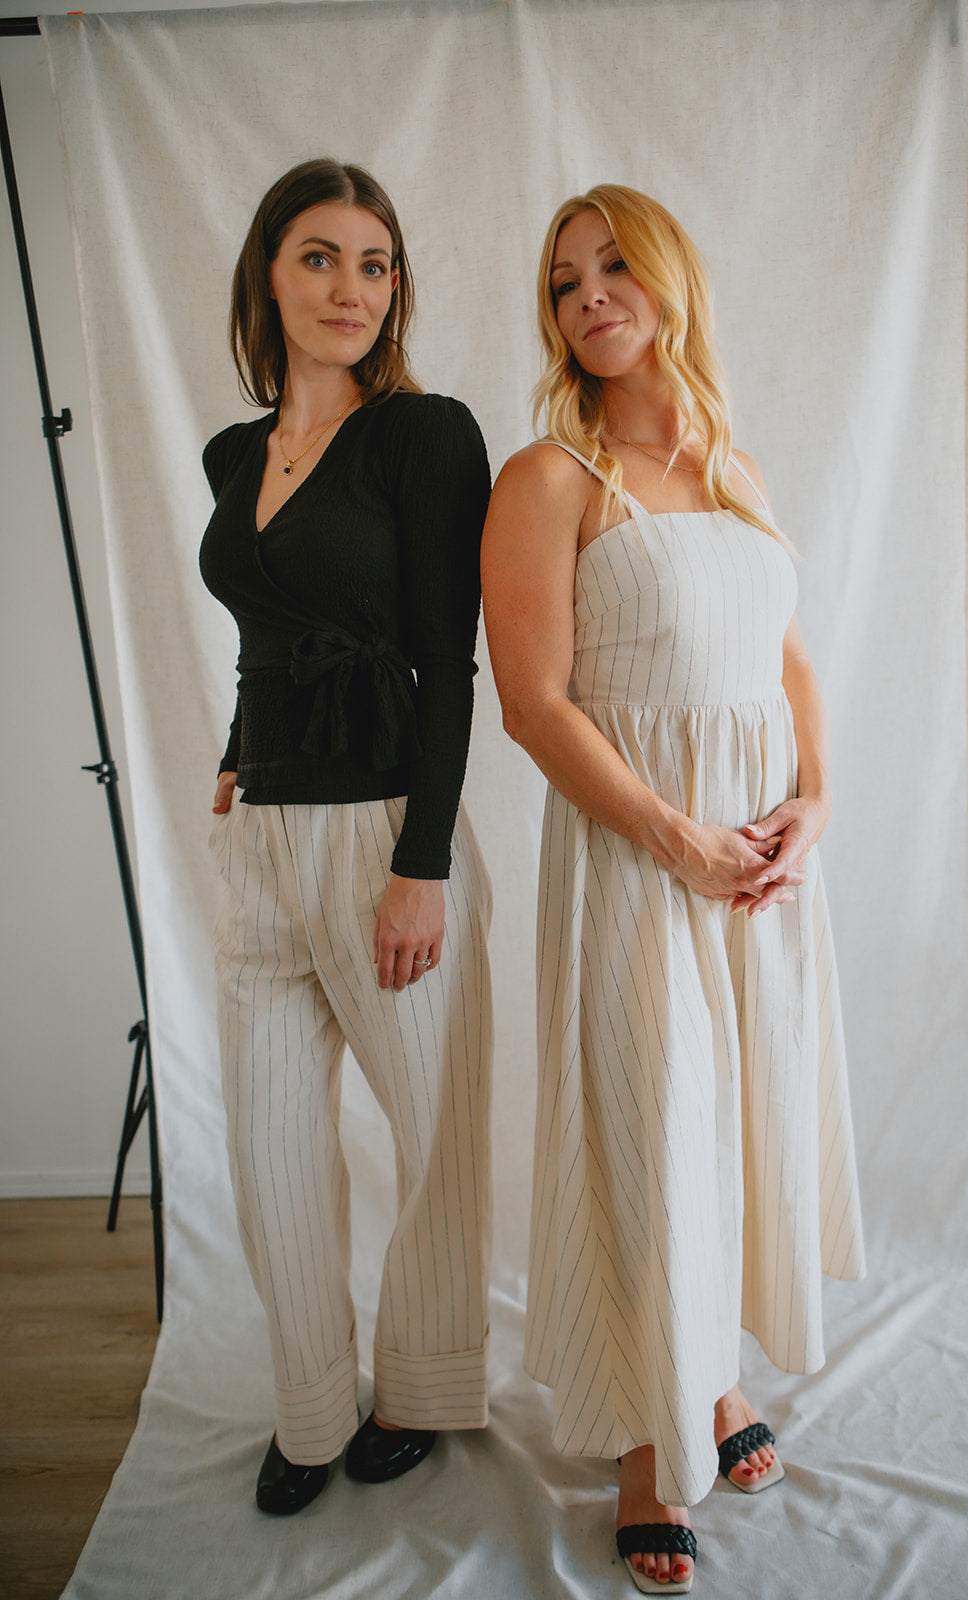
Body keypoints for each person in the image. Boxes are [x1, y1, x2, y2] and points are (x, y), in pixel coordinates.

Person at [481, 185, 864, 1593]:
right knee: (651, 1131)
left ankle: (710, 1378)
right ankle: (651, 1443)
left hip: (757, 870)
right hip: (638, 858)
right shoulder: (548, 478)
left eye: (614, 266)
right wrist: (671, 836)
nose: (588, 295)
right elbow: (532, 704)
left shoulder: (732, 464)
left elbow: (790, 659)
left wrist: (816, 801)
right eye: (563, 280)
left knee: (730, 1128)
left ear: (669, 281)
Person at [199, 159, 493, 1515]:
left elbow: (448, 662)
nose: (350, 288)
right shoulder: (233, 453)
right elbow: (268, 629)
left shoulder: (423, 437)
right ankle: (310, 1409)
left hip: (386, 834)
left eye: (375, 264)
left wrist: (421, 867)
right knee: (270, 1154)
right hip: (262, 838)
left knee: (433, 1140)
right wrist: (234, 750)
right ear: (269, 273)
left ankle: (419, 1388)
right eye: (319, 257)